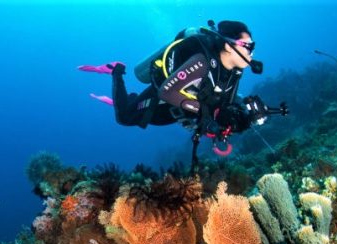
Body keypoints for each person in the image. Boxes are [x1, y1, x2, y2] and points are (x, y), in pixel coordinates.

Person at [79, 20, 287, 173]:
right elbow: (167, 92)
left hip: (179, 110)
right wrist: (205, 114)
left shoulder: (235, 70)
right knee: (125, 117)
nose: (251, 52)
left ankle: (133, 100)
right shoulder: (201, 61)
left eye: (253, 46)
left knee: (145, 115)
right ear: (227, 45)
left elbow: (225, 102)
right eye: (247, 46)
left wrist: (245, 114)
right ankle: (116, 71)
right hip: (163, 99)